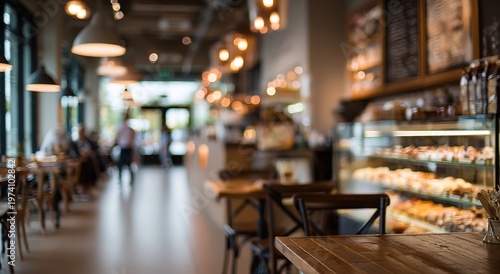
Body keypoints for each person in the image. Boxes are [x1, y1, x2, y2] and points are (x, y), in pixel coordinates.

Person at [115, 112, 136, 183]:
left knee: (127, 163)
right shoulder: (123, 126)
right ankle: (120, 178)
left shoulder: (126, 127)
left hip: (127, 147)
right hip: (124, 147)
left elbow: (117, 136)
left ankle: (128, 178)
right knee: (122, 163)